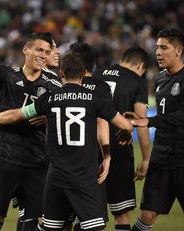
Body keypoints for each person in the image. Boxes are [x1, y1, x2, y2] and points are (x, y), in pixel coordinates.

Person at [0, 53, 133, 231]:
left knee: (51, 228)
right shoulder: (94, 99)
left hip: (55, 177)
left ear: (61, 74)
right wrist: (124, 136)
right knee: (94, 227)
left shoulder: (49, 99)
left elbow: (15, 115)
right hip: (83, 177)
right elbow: (125, 125)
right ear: (83, 74)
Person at [0, 32, 62, 231]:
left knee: (44, 219)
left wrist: (49, 119)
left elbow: (62, 117)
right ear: (26, 50)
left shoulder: (53, 85)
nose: (42, 55)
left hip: (37, 161)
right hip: (5, 158)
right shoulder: (9, 74)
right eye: (38, 49)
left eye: (47, 52)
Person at [128, 28, 184, 231]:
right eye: (157, 48)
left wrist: (149, 121)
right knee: (147, 215)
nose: (158, 52)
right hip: (161, 158)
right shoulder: (160, 79)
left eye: (164, 47)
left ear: (179, 50)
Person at [93, 46, 150, 231]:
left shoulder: (97, 73)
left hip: (91, 151)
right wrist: (146, 158)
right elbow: (140, 121)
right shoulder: (138, 81)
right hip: (119, 150)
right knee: (122, 213)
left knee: (88, 213)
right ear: (141, 66)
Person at [68, 42, 112, 231]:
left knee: (60, 220)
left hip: (61, 161)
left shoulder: (60, 87)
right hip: (91, 161)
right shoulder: (102, 88)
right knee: (94, 221)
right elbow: (103, 123)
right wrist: (107, 155)